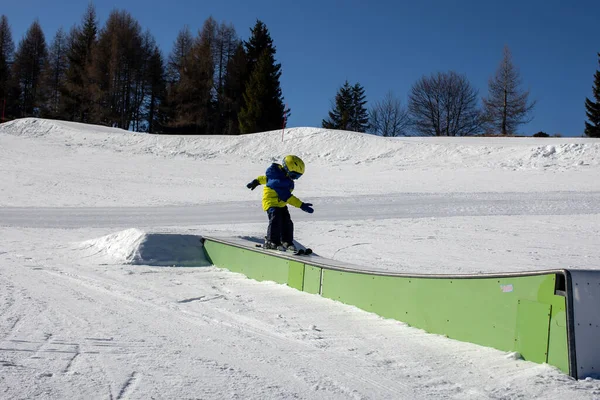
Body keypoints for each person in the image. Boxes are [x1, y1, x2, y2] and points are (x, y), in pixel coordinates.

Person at [246, 155, 314, 251]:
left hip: (281, 204)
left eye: (298, 176)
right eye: (294, 175)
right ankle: (272, 241)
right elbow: (287, 197)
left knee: (287, 222)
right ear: (287, 169)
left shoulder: (279, 175)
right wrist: (301, 205)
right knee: (276, 219)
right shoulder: (278, 182)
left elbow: (266, 179)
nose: (295, 179)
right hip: (271, 203)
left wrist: (256, 181)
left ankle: (286, 241)